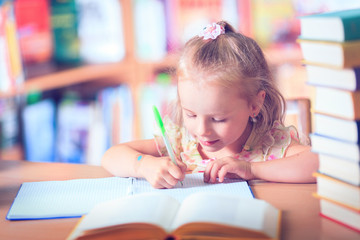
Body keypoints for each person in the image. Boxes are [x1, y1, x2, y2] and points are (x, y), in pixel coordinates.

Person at [101, 21, 319, 189]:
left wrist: (252, 169)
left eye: (218, 119)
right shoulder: (181, 142)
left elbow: (319, 163)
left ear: (254, 104)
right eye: (191, 115)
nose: (202, 131)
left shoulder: (269, 144)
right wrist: (143, 165)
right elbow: (111, 156)